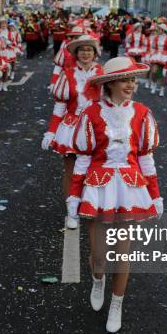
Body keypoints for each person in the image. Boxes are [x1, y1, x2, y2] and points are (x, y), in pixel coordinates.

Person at [66, 56, 162, 333]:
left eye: (133, 80)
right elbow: (82, 159)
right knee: (98, 255)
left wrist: (155, 196)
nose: (131, 85)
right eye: (125, 80)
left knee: (123, 254)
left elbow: (146, 159)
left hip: (130, 187)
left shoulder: (143, 113)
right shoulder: (91, 114)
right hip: (99, 186)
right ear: (109, 84)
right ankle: (98, 280)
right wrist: (74, 195)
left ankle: (117, 303)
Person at [41, 35, 103, 224]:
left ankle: (94, 205)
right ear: (76, 53)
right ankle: (71, 212)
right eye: (82, 50)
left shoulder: (103, 73)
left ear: (95, 53)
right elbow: (60, 107)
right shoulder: (67, 74)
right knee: (71, 170)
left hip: (96, 127)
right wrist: (51, 131)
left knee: (96, 169)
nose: (86, 53)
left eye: (89, 50)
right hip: (72, 127)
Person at [149, 23, 167, 97]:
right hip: (156, 56)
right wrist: (152, 53)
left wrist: (166, 53)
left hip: (164, 57)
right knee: (154, 71)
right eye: (158, 29)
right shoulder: (156, 38)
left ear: (163, 30)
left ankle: (162, 89)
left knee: (163, 74)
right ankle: (154, 85)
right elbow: (153, 46)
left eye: (159, 29)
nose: (158, 30)